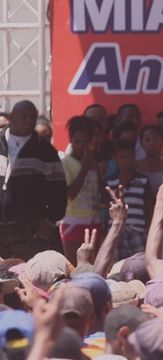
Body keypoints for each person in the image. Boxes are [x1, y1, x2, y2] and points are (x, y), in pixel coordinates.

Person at [0, 100, 67, 258]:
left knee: (26, 278)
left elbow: (60, 192)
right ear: (11, 118)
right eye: (24, 116)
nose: (29, 120)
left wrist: (50, 222)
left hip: (28, 232)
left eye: (32, 117)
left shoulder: (45, 151)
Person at [60, 116, 104, 260]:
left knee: (94, 266)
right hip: (73, 221)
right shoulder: (66, 162)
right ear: (71, 140)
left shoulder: (94, 163)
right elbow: (71, 193)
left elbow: (100, 192)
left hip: (94, 220)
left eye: (85, 142)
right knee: (75, 267)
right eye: (77, 141)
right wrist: (84, 167)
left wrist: (95, 169)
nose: (81, 145)